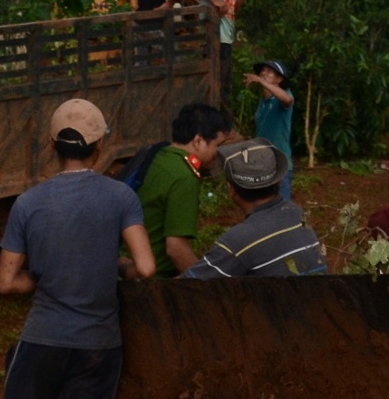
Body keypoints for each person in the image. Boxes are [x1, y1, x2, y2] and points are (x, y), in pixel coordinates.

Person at [0, 99, 157, 399]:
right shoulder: (120, 198)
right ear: (98, 147)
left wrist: (43, 276)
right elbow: (146, 268)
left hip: (42, 339)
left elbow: (6, 282)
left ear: (51, 145)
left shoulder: (28, 204)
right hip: (99, 345)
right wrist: (113, 265)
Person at [181, 139, 327, 278]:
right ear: (279, 183)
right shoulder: (296, 212)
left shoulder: (237, 242)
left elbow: (187, 286)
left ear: (231, 190)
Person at [136, 101, 231, 276]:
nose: (218, 153)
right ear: (198, 141)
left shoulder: (157, 155)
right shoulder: (184, 176)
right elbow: (176, 249)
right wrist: (207, 286)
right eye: (217, 145)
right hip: (155, 280)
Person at [245, 59, 296, 199]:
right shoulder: (263, 102)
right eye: (263, 70)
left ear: (279, 79)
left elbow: (287, 100)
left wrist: (261, 81)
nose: (263, 73)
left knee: (281, 209)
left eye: (269, 71)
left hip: (280, 164)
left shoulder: (284, 96)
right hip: (263, 163)